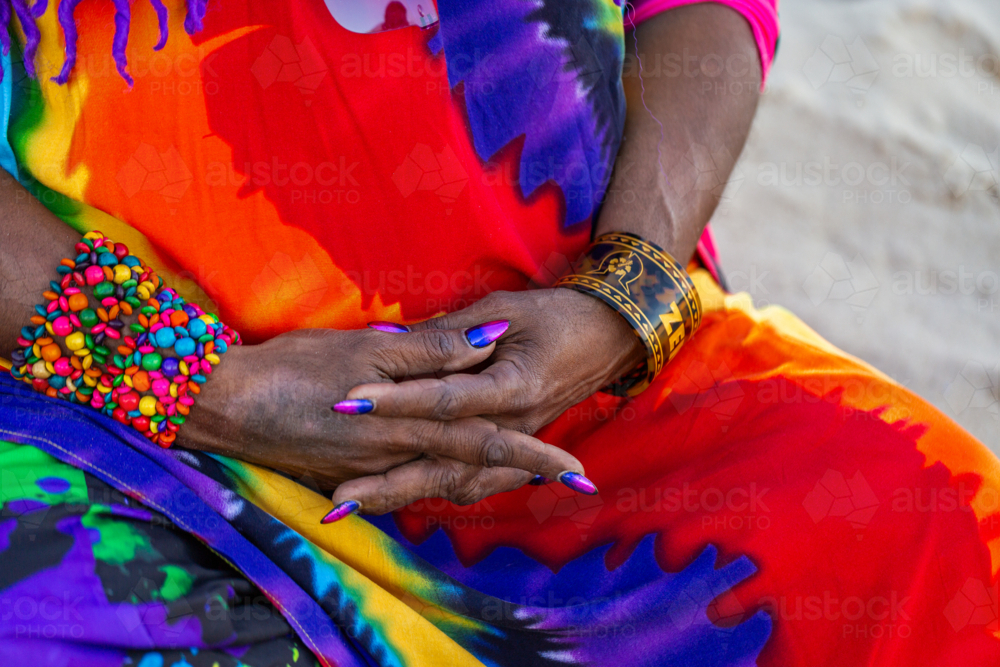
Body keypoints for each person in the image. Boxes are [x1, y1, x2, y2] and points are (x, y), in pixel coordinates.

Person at [0, 1, 997, 665]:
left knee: (943, 531)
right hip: (125, 421)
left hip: (595, 379)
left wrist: (629, 290)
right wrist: (201, 385)